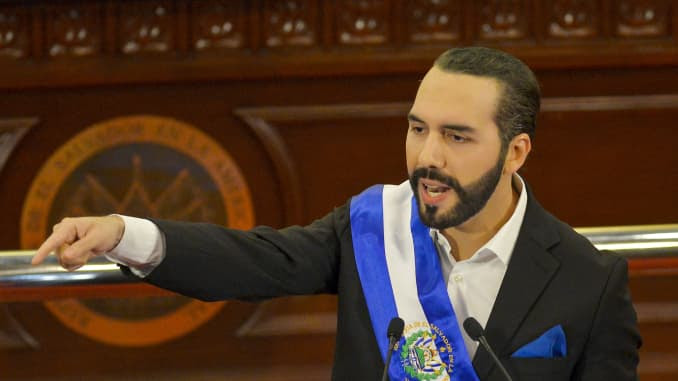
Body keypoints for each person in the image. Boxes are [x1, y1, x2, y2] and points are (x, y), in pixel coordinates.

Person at [32, 47, 641, 381]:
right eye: (417, 128)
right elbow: (254, 262)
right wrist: (122, 232)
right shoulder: (372, 225)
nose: (426, 158)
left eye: (457, 137)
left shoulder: (591, 282)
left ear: (515, 152)